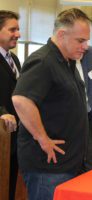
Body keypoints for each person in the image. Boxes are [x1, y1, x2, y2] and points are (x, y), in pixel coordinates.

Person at [12, 8, 91, 200]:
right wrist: (42, 138)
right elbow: (21, 100)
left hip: (67, 164)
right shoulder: (43, 61)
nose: (86, 46)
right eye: (81, 40)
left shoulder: (67, 61)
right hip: (48, 167)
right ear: (62, 34)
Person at [0, 10, 20, 200]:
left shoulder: (14, 59)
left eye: (18, 29)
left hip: (14, 138)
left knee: (10, 188)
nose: (18, 34)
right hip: (1, 135)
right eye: (12, 29)